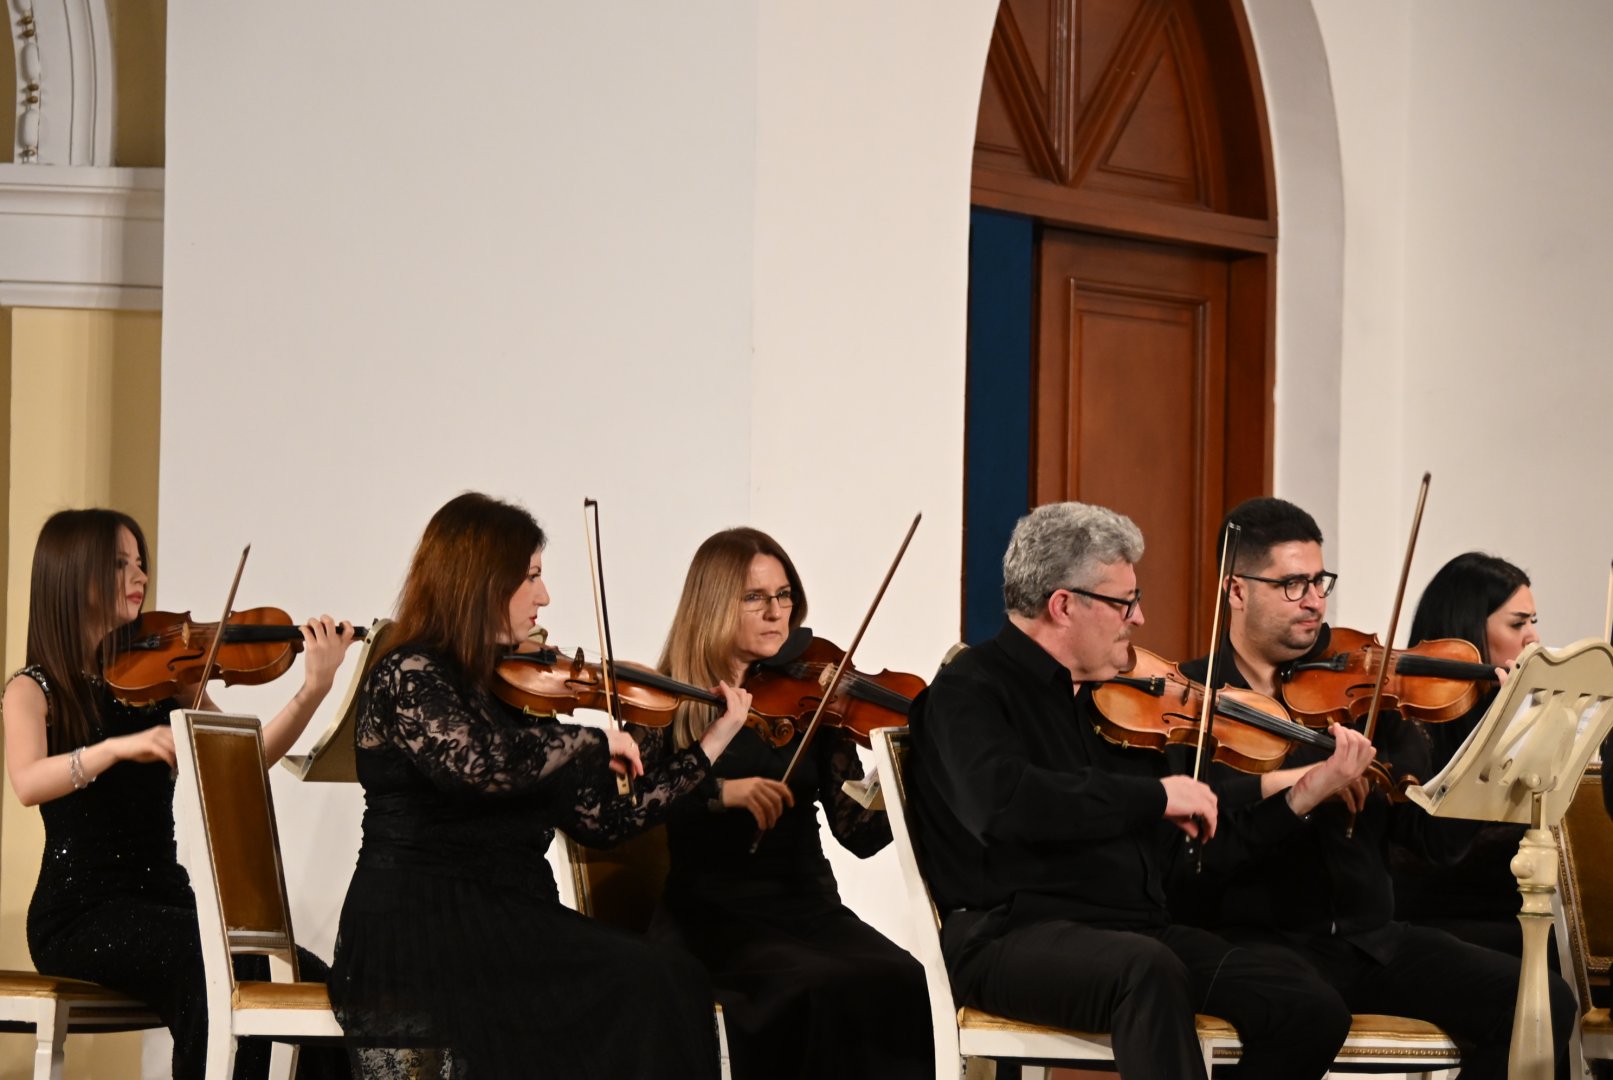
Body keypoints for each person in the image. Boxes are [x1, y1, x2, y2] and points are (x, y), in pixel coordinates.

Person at [908, 501, 1378, 1080]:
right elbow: (1002, 803)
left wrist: (1295, 787)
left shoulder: (1112, 702)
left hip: (1133, 929)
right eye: (1124, 602)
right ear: (1063, 605)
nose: (1139, 617)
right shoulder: (969, 690)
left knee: (1306, 1004)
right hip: (1008, 936)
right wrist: (1156, 799)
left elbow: (1190, 804)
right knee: (1147, 971)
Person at [328, 492, 753, 1079]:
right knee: (647, 983)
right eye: (530, 577)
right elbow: (476, 766)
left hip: (512, 916)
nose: (544, 596)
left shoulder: (514, 692)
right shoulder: (411, 674)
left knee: (672, 975)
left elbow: (604, 825)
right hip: (423, 922)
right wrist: (589, 742)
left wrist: (710, 745)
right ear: (479, 580)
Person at [1177, 497, 1576, 1079]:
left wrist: (1500, 738)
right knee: (1306, 1013)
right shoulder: (1192, 700)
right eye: (1292, 585)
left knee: (1540, 1002)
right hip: (1257, 942)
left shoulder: (1365, 689)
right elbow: (1197, 863)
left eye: (1319, 581)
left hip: (1372, 942)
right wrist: (1305, 793)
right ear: (1235, 591)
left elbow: (1430, 840)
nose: (1315, 601)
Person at [1, 508, 356, 1080]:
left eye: (140, 563)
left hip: (166, 900)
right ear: (73, 576)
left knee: (305, 977)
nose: (139, 577)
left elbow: (247, 758)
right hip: (82, 916)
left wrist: (314, 689)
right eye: (119, 565)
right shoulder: (34, 688)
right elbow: (27, 781)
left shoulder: (163, 675)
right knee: (208, 971)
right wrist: (117, 749)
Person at [642, 526, 932, 1080]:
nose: (777, 612)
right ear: (713, 603)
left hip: (808, 905)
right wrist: (722, 792)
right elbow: (641, 804)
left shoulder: (814, 702)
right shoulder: (667, 700)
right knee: (812, 988)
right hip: (715, 915)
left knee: (902, 978)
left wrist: (912, 768)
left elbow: (859, 834)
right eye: (756, 597)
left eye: (784, 596)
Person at [1391, 552, 1542, 958]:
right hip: (1429, 916)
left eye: (1533, 623)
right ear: (1468, 629)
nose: (1533, 639)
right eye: (1517, 624)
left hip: (1497, 906)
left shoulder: (1513, 708)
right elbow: (1436, 852)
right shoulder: (1408, 721)